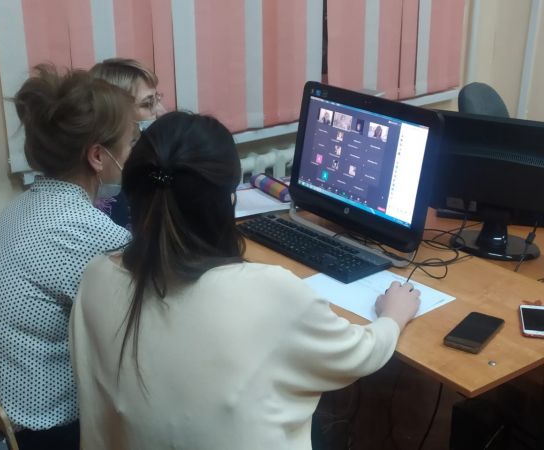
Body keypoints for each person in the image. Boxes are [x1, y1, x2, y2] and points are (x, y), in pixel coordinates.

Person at [69, 111, 420, 450]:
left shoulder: (96, 278)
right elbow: (358, 354)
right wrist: (393, 316)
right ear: (228, 201)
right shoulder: (268, 291)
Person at [0, 65, 136, 449]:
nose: (132, 154)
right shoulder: (91, 234)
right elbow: (145, 331)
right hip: (48, 431)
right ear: (98, 155)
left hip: (4, 412)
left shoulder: (21, 206)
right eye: (130, 143)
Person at [90, 58, 165, 228]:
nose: (161, 111)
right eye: (148, 103)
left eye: (157, 99)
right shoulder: (106, 176)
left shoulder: (154, 161)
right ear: (114, 112)